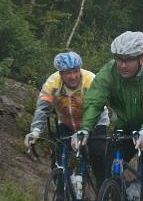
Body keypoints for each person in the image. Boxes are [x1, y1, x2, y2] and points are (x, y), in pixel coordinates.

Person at [74, 31, 143, 201]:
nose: (123, 65)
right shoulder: (109, 72)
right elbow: (94, 101)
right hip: (126, 124)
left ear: (141, 58)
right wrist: (85, 129)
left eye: (128, 60)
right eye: (119, 60)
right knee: (110, 162)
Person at [24, 51, 110, 190]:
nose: (73, 76)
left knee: (97, 153)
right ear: (60, 74)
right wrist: (35, 130)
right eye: (68, 73)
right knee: (58, 156)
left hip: (95, 122)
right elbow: (42, 109)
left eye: (76, 71)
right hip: (67, 123)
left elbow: (96, 108)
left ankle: (103, 192)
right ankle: (60, 194)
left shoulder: (90, 80)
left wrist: (85, 130)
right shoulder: (52, 83)